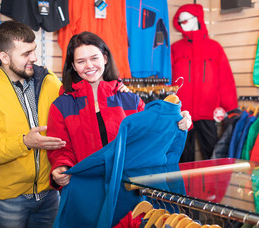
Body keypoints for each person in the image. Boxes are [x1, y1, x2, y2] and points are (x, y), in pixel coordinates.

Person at [0, 20, 67, 228]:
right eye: (26, 53)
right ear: (4, 57)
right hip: (6, 200)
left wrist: (113, 90)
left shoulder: (51, 83)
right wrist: (24, 142)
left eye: (35, 50)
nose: (35, 58)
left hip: (49, 193)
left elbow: (76, 110)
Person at [47, 31, 192, 188]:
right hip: (86, 189)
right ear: (73, 66)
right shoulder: (61, 106)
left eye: (94, 58)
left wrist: (178, 120)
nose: (89, 65)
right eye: (81, 61)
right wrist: (61, 166)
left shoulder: (130, 99)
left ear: (105, 58)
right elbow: (60, 148)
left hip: (127, 190)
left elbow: (151, 137)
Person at [171, 4, 238, 162]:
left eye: (185, 20)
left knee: (212, 155)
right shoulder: (175, 49)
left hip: (208, 112)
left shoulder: (214, 48)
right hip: (182, 113)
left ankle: (214, 187)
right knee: (183, 156)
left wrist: (231, 108)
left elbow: (225, 81)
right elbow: (168, 82)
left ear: (197, 19)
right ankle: (184, 187)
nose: (182, 24)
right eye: (179, 22)